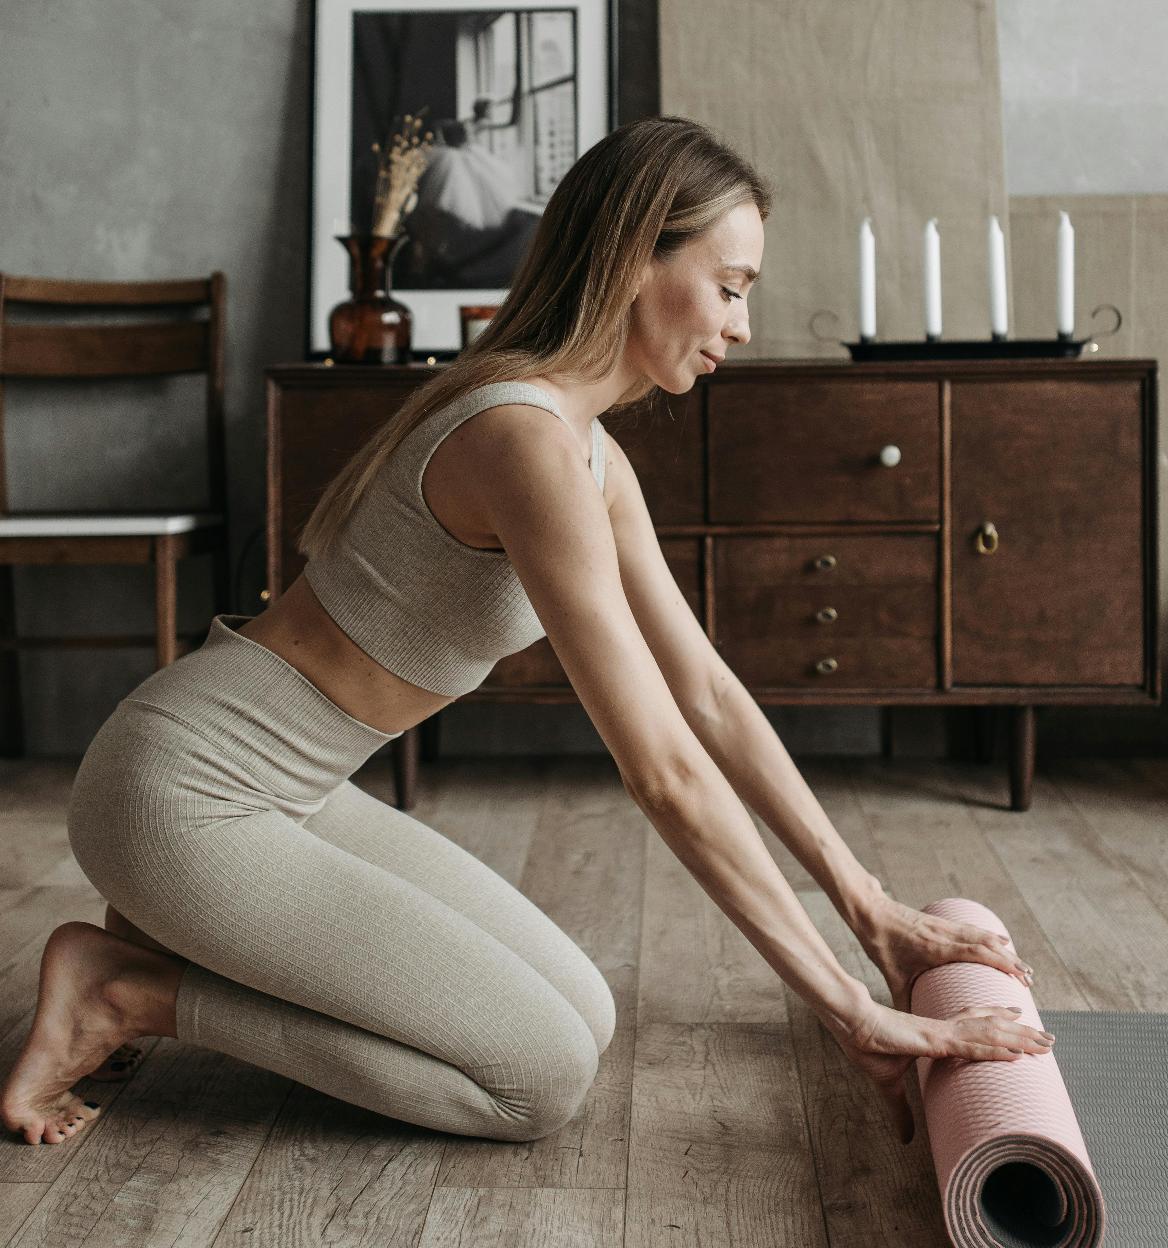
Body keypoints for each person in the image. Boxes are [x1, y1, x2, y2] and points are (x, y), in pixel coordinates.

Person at [0, 116, 1052, 1150]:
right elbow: (665, 774)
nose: (740, 324)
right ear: (637, 259)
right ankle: (127, 991)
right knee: (535, 1081)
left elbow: (709, 697)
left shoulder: (592, 456)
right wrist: (848, 1011)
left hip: (294, 796)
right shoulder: (520, 439)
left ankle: (160, 933)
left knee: (581, 1016)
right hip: (186, 795)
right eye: (730, 287)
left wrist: (874, 914)